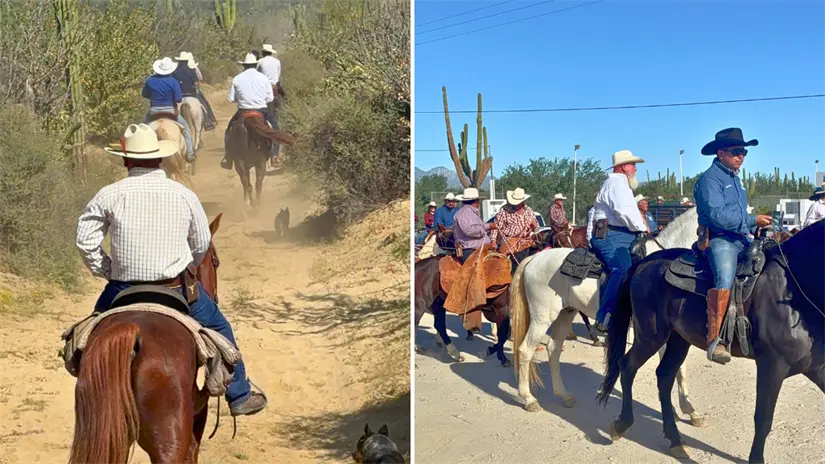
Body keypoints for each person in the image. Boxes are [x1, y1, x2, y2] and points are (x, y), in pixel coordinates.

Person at [76, 123, 267, 416]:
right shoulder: (183, 194)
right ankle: (239, 394)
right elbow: (202, 244)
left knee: (88, 336)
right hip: (175, 287)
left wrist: (110, 270)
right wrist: (184, 265)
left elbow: (86, 242)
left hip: (123, 289)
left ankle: (86, 378)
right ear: (159, 158)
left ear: (126, 160)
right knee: (219, 327)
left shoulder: (108, 194)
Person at [694, 127, 772, 364]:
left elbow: (737, 216)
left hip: (741, 238)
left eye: (744, 152)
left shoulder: (735, 180)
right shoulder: (709, 180)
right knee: (725, 278)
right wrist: (752, 220)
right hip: (720, 240)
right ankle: (716, 340)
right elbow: (718, 216)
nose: (742, 156)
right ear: (720, 154)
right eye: (736, 151)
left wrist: (754, 227)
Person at [590, 150, 649, 332]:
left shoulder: (622, 184)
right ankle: (605, 316)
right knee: (621, 268)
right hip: (609, 235)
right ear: (624, 167)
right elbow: (624, 211)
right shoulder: (615, 182)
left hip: (623, 235)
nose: (636, 169)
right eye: (633, 165)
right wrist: (642, 227)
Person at [221, 53, 275, 170]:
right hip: (261, 111)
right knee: (273, 129)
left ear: (244, 66)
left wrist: (241, 99)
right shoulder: (264, 78)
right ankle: (271, 155)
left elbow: (231, 99)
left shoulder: (237, 79)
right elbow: (270, 98)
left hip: (243, 111)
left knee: (228, 131)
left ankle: (228, 158)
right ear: (255, 65)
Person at [141, 57, 195, 161]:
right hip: (170, 111)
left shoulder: (150, 80)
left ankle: (139, 151)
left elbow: (144, 94)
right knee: (186, 129)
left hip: (154, 111)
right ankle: (189, 153)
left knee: (142, 128)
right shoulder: (173, 81)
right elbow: (179, 99)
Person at [491, 187, 539, 272]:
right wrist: (493, 240)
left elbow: (536, 228)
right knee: (505, 260)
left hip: (526, 239)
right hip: (509, 239)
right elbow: (496, 226)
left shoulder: (529, 211)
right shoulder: (504, 210)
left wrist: (535, 225)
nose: (516, 204)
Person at [452, 188, 496, 263]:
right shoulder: (465, 213)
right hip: (472, 250)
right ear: (476, 202)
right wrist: (489, 226)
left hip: (477, 249)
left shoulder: (468, 212)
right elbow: (471, 231)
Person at [257, 44, 283, 160]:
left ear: (263, 52)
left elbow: (257, 76)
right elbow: (278, 77)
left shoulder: (260, 62)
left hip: (262, 90)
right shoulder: (277, 62)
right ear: (271, 52)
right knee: (275, 120)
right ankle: (275, 153)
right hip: (274, 90)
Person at [184, 52, 218, 131]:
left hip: (181, 93)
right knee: (204, 103)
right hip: (192, 92)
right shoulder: (194, 68)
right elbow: (200, 77)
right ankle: (208, 121)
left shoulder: (177, 69)